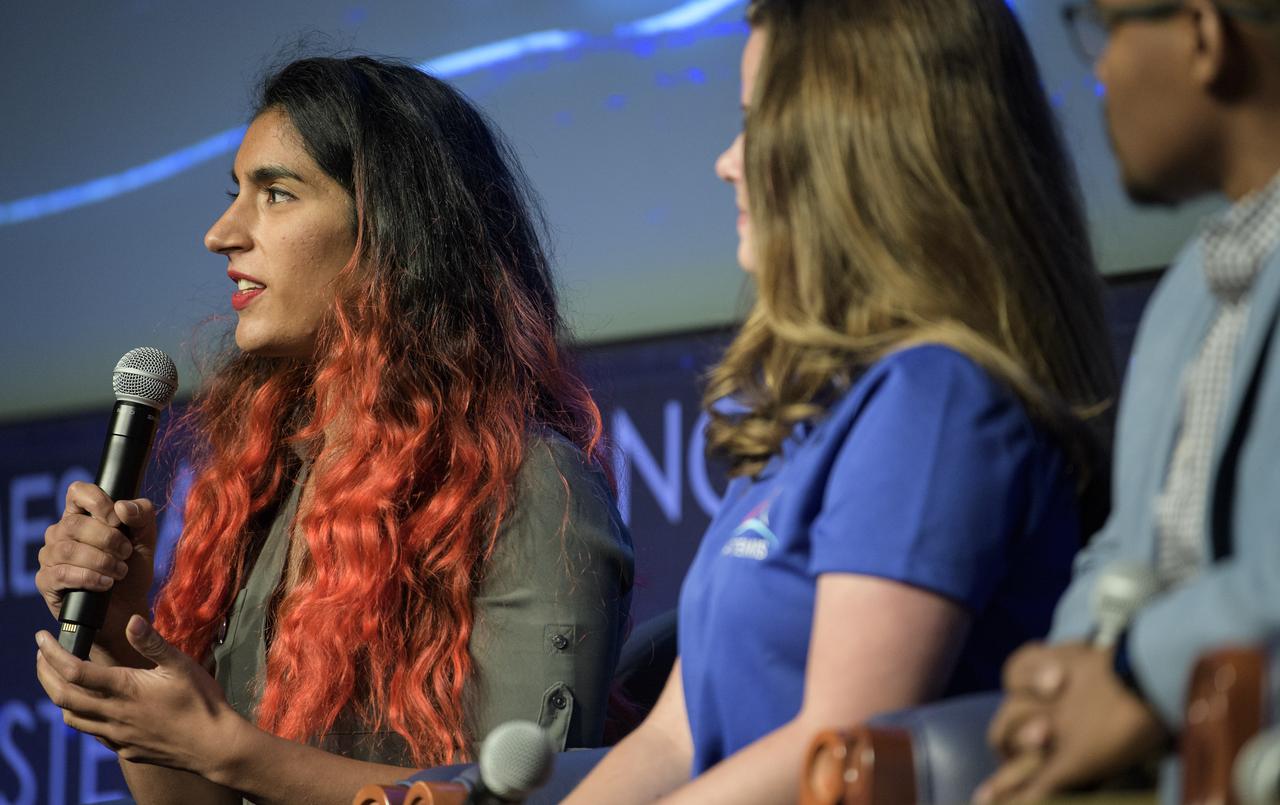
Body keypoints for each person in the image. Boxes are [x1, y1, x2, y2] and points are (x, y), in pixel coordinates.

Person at [32, 55, 633, 804]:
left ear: (387, 233)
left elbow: (529, 797)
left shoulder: (531, 486)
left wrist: (234, 749)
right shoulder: (266, 485)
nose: (222, 233)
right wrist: (122, 635)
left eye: (277, 194)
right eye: (237, 194)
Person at [564, 0, 1118, 801]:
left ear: (860, 149)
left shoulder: (937, 404)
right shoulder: (816, 411)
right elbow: (672, 737)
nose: (726, 160)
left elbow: (838, 750)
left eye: (760, 122)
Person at [980, 1, 1280, 801]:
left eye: (1108, 31)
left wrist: (1135, 671)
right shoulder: (1191, 286)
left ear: (1205, 37)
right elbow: (1123, 546)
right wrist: (1064, 676)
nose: (1100, 69)